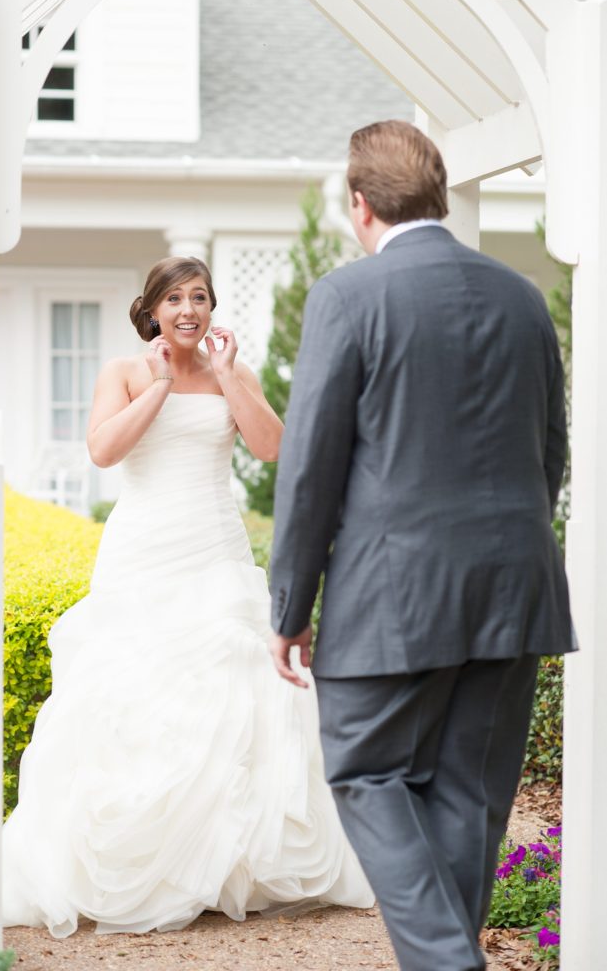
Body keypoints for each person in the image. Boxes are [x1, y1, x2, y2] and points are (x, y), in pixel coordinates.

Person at [268, 120, 575, 971]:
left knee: (366, 774)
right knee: (468, 795)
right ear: (437, 195)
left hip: (392, 596)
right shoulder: (522, 295)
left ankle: (448, 964)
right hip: (514, 591)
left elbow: (309, 469)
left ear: (359, 205)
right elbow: (548, 448)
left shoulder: (348, 296)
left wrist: (290, 607)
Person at [2, 255, 373, 938]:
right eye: (174, 297)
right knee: (134, 695)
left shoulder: (234, 371)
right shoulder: (123, 371)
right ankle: (144, 862)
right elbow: (103, 452)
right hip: (143, 551)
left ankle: (232, 864)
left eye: (198, 296)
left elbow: (272, 449)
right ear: (152, 310)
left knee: (239, 691)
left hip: (216, 552)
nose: (187, 308)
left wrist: (228, 379)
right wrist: (162, 386)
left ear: (209, 309)